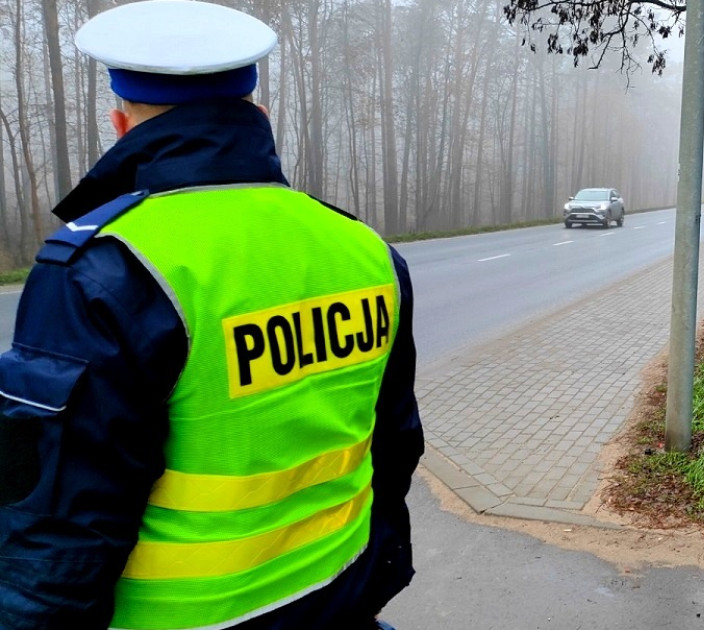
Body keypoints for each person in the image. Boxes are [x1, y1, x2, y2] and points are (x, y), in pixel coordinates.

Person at [0, 2, 423, 628]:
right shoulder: (365, 250)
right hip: (338, 594)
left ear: (122, 125)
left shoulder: (103, 267)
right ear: (259, 115)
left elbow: (61, 527)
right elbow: (394, 445)